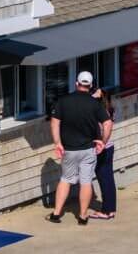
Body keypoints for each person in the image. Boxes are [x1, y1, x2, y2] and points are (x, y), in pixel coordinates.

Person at [47, 71, 112, 225]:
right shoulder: (95, 104)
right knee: (86, 181)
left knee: (66, 179)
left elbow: (54, 122)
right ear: (90, 86)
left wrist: (58, 143)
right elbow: (108, 123)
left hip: (68, 149)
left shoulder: (63, 101)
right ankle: (82, 216)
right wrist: (102, 141)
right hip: (88, 149)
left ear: (76, 83)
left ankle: (56, 214)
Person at [90, 87, 116, 220]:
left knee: (104, 179)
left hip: (102, 148)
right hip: (109, 147)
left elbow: (104, 128)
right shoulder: (108, 109)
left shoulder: (99, 113)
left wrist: (101, 142)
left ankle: (106, 211)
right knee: (108, 178)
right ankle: (110, 209)